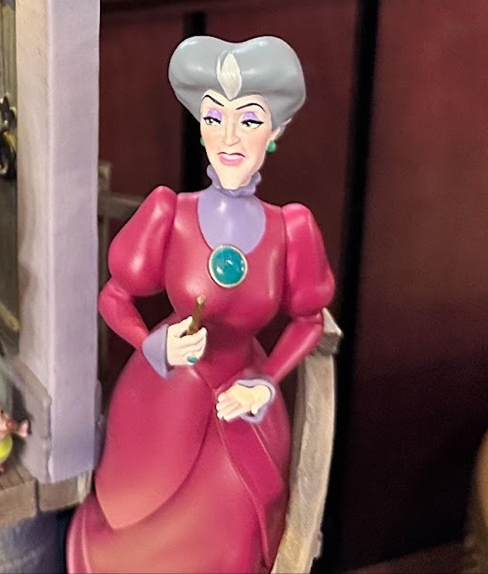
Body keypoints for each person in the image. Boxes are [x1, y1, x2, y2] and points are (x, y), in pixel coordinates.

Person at [67, 35, 335, 574]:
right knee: (131, 529)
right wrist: (152, 343)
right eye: (215, 118)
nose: (229, 136)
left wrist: (267, 382)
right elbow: (115, 297)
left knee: (231, 525)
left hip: (239, 398)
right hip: (162, 396)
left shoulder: (291, 229)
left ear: (275, 132)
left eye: (250, 120)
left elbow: (309, 321)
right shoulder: (171, 213)